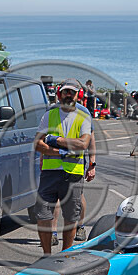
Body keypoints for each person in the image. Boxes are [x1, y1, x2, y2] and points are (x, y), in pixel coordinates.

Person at [33, 78, 94, 254]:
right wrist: (62, 152)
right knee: (43, 215)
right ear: (60, 94)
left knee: (70, 217)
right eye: (65, 91)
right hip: (49, 173)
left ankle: (64, 255)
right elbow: (38, 144)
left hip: (73, 174)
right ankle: (46, 256)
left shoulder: (84, 117)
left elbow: (83, 144)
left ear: (78, 95)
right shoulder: (49, 115)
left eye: (72, 92)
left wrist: (56, 140)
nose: (68, 95)